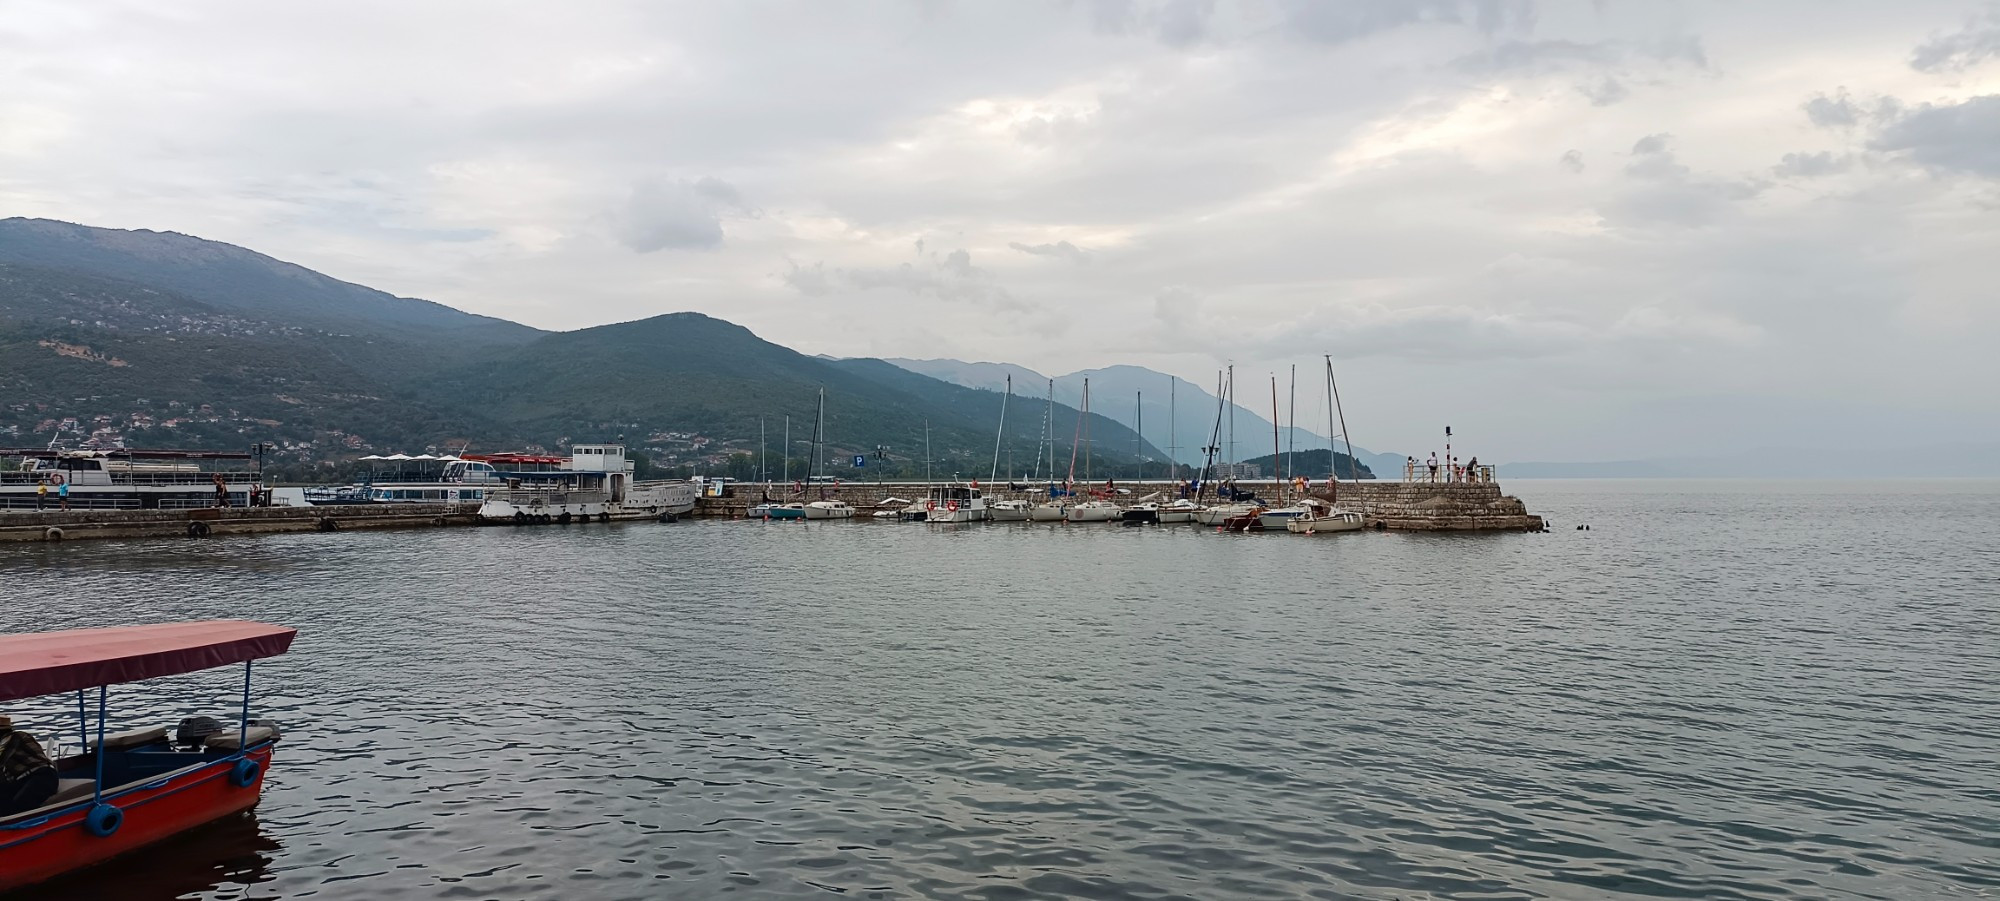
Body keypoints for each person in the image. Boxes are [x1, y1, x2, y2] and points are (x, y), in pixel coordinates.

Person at [0, 716, 57, 816]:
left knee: (19, 806)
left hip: (42, 776)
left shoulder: (14, 738)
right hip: (24, 778)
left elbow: (2, 758)